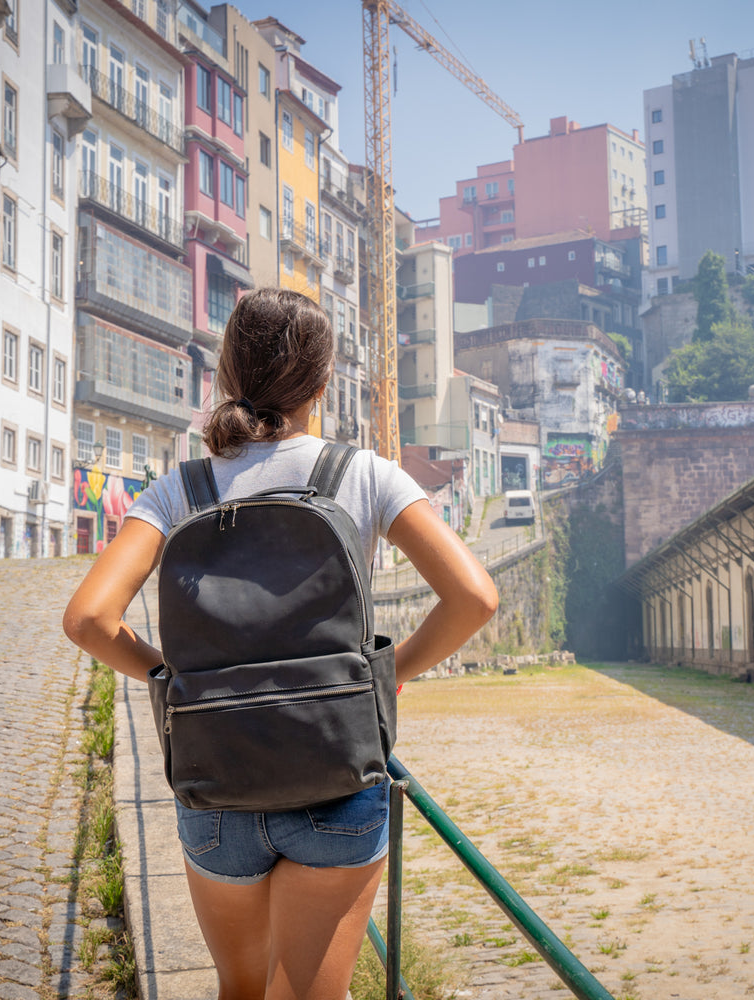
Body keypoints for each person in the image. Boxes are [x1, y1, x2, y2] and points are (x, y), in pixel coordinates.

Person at [63, 287, 498, 1000]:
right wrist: (390, 676)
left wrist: (166, 679)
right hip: (333, 776)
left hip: (218, 785)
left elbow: (87, 619)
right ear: (322, 386)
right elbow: (475, 598)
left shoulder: (182, 490)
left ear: (228, 375)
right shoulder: (363, 475)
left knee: (239, 989)